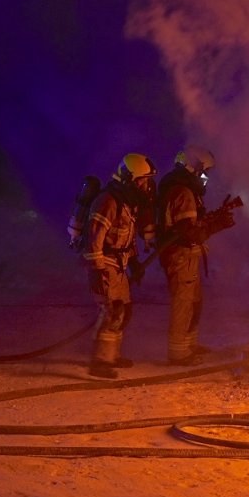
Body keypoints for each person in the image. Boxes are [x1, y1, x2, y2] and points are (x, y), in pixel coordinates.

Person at [156, 147, 235, 364]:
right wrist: (217, 225)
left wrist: (212, 221)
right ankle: (178, 353)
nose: (206, 177)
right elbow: (188, 232)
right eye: (205, 171)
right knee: (183, 302)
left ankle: (188, 344)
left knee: (194, 301)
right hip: (180, 256)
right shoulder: (183, 192)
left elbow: (191, 224)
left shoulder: (182, 189)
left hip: (186, 256)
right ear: (194, 167)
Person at [83, 152, 155, 378]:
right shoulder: (108, 201)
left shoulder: (127, 202)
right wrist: (97, 271)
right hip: (105, 263)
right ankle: (100, 362)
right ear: (130, 179)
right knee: (111, 311)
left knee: (123, 311)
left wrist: (134, 261)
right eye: (143, 181)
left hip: (120, 264)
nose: (146, 186)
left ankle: (111, 355)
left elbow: (127, 238)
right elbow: (94, 238)